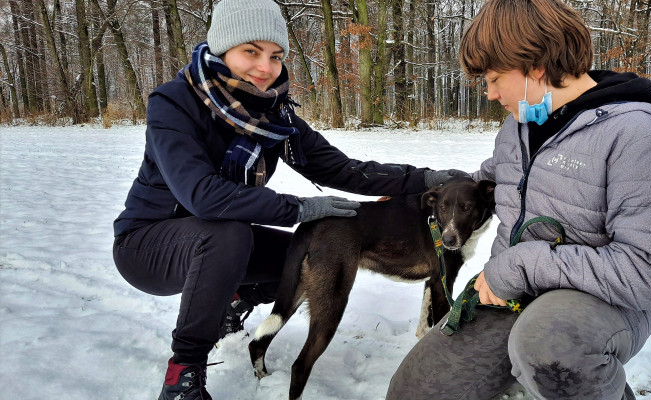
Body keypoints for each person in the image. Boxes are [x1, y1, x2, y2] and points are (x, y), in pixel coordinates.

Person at [111, 0, 465, 398]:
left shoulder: (275, 117)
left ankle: (234, 299)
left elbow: (341, 169)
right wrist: (297, 208)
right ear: (222, 48)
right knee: (228, 235)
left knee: (308, 259)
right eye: (251, 51)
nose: (266, 67)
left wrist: (425, 178)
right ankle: (184, 371)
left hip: (221, 243)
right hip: (148, 246)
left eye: (276, 56)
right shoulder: (174, 103)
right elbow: (201, 196)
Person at [386, 0, 651, 399]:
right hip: (513, 289)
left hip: (601, 300)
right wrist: (404, 192)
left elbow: (650, 271)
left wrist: (520, 265)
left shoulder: (636, 134)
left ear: (536, 64)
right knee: (413, 390)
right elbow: (485, 184)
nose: (491, 94)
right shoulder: (519, 127)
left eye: (495, 78)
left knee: (550, 348)